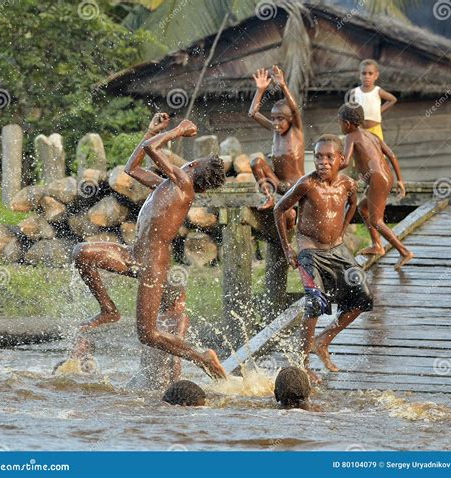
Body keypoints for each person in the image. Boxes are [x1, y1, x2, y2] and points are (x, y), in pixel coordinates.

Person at [73, 115, 227, 379]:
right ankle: (109, 310)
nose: (186, 163)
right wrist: (150, 131)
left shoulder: (183, 184)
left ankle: (202, 358)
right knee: (82, 253)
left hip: (152, 266)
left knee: (148, 335)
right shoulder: (167, 185)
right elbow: (132, 168)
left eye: (192, 163)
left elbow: (151, 150)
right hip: (133, 255)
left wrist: (178, 131)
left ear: (195, 169)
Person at [274, 134, 374, 383]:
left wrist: (343, 229)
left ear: (341, 159)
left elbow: (353, 204)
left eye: (329, 157)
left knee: (363, 297)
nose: (323, 162)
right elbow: (279, 209)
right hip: (310, 250)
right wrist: (287, 248)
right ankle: (302, 363)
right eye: (319, 156)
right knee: (315, 300)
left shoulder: (348, 184)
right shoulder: (307, 184)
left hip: (337, 249)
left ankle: (324, 340)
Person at [338, 104, 413, 269]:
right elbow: (391, 154)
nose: (340, 126)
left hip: (378, 179)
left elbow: (344, 162)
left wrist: (328, 167)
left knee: (377, 220)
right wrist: (400, 180)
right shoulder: (371, 135)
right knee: (363, 208)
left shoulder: (351, 136)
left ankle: (404, 251)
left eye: (340, 123)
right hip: (386, 176)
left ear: (347, 123)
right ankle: (377, 245)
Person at [248, 65, 304, 227]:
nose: (276, 123)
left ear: (290, 119)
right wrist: (260, 90)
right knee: (256, 162)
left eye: (280, 118)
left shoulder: (296, 131)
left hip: (297, 186)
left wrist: (283, 86)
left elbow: (294, 109)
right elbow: (253, 113)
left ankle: (291, 216)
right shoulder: (275, 129)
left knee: (288, 215)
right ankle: (268, 197)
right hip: (279, 184)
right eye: (273, 118)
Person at [347, 59, 397, 140]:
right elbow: (350, 110)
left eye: (370, 74)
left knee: (378, 151)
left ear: (376, 76)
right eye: (364, 73)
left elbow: (393, 99)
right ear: (359, 75)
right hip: (360, 129)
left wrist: (379, 111)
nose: (367, 76)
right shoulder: (354, 92)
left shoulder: (378, 91)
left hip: (375, 129)